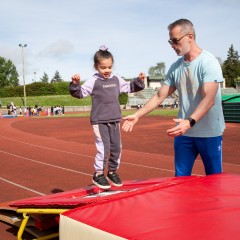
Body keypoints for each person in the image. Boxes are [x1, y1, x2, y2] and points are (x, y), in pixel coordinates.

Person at [122, 19, 225, 177]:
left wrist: (188, 122)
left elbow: (209, 99)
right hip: (184, 134)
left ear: (189, 36)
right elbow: (159, 95)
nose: (172, 45)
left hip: (208, 133)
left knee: (214, 179)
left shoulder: (208, 62)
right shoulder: (176, 67)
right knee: (180, 180)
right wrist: (137, 115)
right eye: (170, 41)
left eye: (175, 41)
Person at [69, 45, 145, 189]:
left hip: (115, 119)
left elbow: (129, 87)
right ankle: (98, 174)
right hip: (100, 120)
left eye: (109, 67)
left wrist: (139, 81)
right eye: (103, 67)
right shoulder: (93, 81)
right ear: (96, 67)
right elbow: (80, 93)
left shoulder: (116, 79)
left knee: (117, 147)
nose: (107, 70)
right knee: (103, 148)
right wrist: (75, 85)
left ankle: (112, 171)